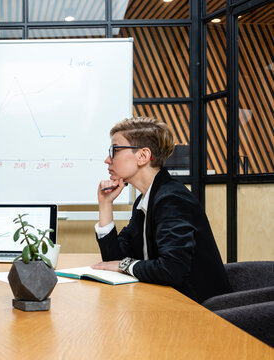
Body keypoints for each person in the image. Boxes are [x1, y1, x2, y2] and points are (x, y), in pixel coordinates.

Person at [91, 116, 231, 303]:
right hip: (164, 301)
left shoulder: (172, 199)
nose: (107, 160)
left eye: (114, 150)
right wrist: (106, 205)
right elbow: (112, 261)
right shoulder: (146, 199)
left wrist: (124, 265)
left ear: (142, 156)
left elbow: (171, 269)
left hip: (199, 311)